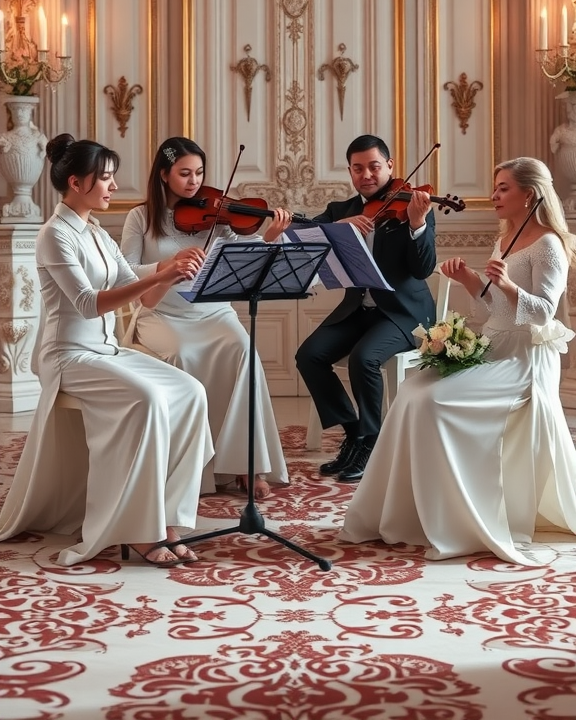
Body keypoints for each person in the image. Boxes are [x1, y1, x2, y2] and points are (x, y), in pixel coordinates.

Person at [341, 156, 576, 564]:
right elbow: (492, 311)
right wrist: (470, 280)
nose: (494, 194)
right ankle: (407, 513)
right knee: (412, 390)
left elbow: (542, 313)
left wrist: (506, 285)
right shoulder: (505, 238)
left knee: (433, 401)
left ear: (529, 194)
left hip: (524, 360)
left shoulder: (548, 244)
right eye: (495, 186)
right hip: (494, 345)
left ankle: (455, 518)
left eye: (503, 188)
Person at [0, 134, 214, 568]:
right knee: (148, 398)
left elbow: (136, 286)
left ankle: (169, 518)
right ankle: (139, 528)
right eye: (106, 178)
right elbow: (88, 303)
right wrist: (160, 275)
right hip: (68, 355)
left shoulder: (97, 232)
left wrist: (172, 272)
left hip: (106, 350)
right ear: (77, 182)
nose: (114, 186)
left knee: (191, 392)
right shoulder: (53, 235)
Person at [120, 136, 291, 499]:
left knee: (244, 350)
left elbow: (242, 255)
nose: (194, 181)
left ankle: (246, 463)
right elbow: (126, 271)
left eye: (199, 172)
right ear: (164, 174)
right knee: (181, 354)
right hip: (162, 312)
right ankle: (192, 469)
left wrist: (269, 238)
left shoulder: (218, 215)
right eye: (185, 173)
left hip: (213, 312)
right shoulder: (140, 217)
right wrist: (166, 265)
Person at [295, 133, 436, 483]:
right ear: (350, 172)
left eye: (374, 166)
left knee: (364, 358)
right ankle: (355, 431)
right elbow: (301, 232)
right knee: (309, 355)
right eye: (358, 169)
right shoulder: (341, 211)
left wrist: (417, 224)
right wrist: (336, 228)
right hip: (359, 310)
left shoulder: (412, 206)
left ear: (390, 166)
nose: (367, 175)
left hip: (403, 313)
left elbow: (422, 269)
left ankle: (372, 442)